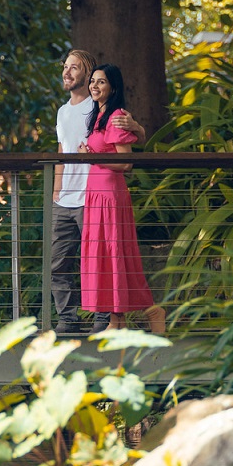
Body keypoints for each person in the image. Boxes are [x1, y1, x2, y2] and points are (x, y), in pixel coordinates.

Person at [51, 49, 144, 334]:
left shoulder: (99, 107)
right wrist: (56, 188)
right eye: (65, 67)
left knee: (98, 262)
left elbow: (130, 138)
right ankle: (67, 318)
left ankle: (104, 320)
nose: (67, 72)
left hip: (93, 196)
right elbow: (62, 150)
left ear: (88, 72)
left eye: (74, 67)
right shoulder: (64, 111)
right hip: (66, 198)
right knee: (58, 263)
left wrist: (138, 126)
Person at [79, 64, 165, 334]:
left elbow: (125, 162)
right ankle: (117, 322)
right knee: (104, 257)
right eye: (92, 81)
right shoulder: (98, 116)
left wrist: (91, 157)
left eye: (101, 82)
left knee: (116, 254)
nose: (94, 86)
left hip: (110, 197)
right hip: (96, 196)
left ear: (112, 88)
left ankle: (153, 311)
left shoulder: (115, 116)